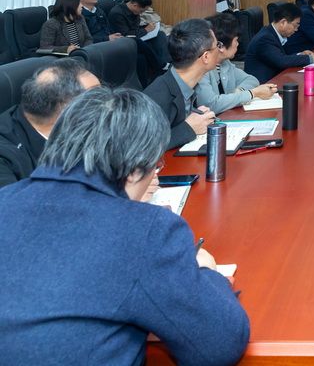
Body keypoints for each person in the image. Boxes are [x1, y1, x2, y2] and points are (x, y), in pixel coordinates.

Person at [0, 86, 250, 363]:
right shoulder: (144, 230)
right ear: (133, 170)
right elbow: (220, 344)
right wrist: (205, 273)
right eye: (156, 165)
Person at [0, 59, 100, 189]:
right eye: (98, 98)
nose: (106, 104)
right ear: (68, 109)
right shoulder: (5, 158)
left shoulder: (84, 129)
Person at [143, 19, 219, 150]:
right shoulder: (157, 99)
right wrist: (189, 128)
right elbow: (142, 148)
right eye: (217, 45)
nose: (220, 49)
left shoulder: (185, 84)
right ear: (206, 57)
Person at [196, 13, 278, 114]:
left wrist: (239, 92)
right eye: (236, 40)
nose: (238, 44)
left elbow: (252, 80)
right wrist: (252, 93)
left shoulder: (225, 63)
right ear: (220, 46)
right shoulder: (201, 67)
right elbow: (211, 104)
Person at [243, 2, 314, 83]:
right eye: (295, 25)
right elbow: (281, 61)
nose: (296, 29)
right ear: (283, 22)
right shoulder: (265, 38)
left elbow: (280, 56)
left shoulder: (272, 33)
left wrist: (300, 54)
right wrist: (312, 58)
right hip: (263, 85)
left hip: (276, 78)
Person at [108, 0, 171, 81]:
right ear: (135, 5)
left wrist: (147, 28)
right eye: (142, 11)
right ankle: (161, 66)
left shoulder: (134, 11)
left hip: (138, 36)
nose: (141, 13)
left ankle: (167, 63)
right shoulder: (117, 13)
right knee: (143, 52)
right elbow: (125, 34)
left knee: (160, 34)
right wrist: (145, 30)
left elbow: (136, 28)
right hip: (124, 40)